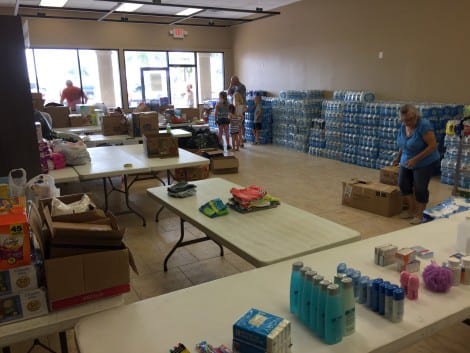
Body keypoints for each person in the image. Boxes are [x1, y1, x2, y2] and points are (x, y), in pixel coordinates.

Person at [392, 104, 440, 225]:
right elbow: (404, 144)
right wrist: (398, 157)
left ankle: (420, 214)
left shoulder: (424, 126)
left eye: (410, 119)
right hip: (407, 160)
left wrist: (416, 159)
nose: (407, 122)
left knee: (420, 188)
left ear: (416, 116)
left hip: (425, 161)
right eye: (404, 120)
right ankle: (411, 210)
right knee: (403, 184)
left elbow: (432, 146)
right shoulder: (403, 126)